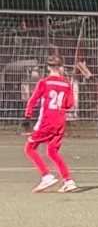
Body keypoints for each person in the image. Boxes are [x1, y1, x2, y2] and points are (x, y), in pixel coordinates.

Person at [23, 55, 78, 193]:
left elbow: (33, 99)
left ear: (48, 67)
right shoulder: (66, 84)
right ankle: (68, 181)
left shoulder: (44, 83)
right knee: (52, 152)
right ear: (61, 67)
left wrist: (27, 115)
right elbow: (69, 104)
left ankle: (46, 175)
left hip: (46, 121)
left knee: (29, 148)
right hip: (60, 122)